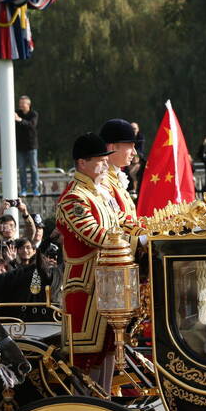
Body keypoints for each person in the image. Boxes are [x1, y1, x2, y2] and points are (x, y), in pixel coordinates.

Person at [56, 133, 145, 392]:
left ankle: (103, 404)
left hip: (107, 284)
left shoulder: (99, 193)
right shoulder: (74, 198)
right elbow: (95, 236)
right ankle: (86, 407)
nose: (106, 163)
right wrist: (138, 241)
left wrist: (146, 232)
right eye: (100, 160)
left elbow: (122, 222)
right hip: (86, 287)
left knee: (107, 349)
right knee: (87, 358)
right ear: (82, 163)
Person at [15, 96, 40, 195]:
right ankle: (23, 189)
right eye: (20, 103)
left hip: (31, 145)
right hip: (20, 146)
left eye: (23, 103)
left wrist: (20, 120)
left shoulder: (34, 114)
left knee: (33, 168)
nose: (20, 105)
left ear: (28, 104)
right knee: (21, 169)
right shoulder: (16, 112)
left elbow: (32, 125)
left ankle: (35, 188)